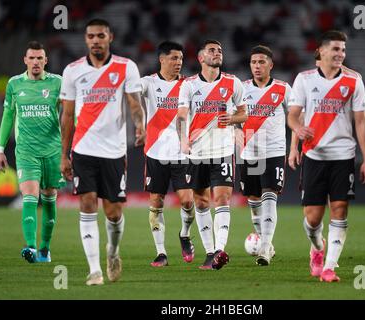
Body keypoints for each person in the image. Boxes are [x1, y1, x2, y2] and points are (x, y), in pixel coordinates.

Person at [59, 19, 145, 286]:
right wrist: (64, 155)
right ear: (85, 40)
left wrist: (140, 126)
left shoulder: (126, 66)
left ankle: (113, 252)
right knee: (86, 203)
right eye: (91, 36)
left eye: (100, 35)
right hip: (83, 149)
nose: (95, 40)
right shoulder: (72, 71)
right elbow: (68, 115)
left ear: (110, 37)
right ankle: (94, 270)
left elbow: (134, 103)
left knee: (113, 212)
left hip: (114, 151)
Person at [287, 30, 365, 282]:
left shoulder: (353, 81)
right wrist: (297, 130)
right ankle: (317, 247)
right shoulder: (304, 79)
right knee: (313, 218)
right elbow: (293, 114)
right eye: (335, 49)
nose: (340, 54)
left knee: (339, 207)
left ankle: (330, 267)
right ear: (321, 51)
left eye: (343, 50)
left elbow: (360, 120)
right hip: (314, 155)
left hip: (343, 155)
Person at [177, 39, 247, 270]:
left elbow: (243, 114)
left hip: (223, 150)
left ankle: (219, 250)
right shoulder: (188, 85)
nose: (217, 53)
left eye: (219, 50)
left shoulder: (233, 82)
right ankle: (209, 252)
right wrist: (183, 140)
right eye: (211, 50)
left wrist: (232, 119)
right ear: (201, 58)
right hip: (197, 152)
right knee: (201, 200)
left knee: (223, 199)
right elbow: (181, 116)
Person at [0, 41, 64, 264]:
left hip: (53, 151)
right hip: (26, 151)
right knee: (29, 196)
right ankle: (31, 248)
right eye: (31, 58)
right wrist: (0, 149)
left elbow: (69, 114)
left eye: (39, 58)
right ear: (25, 60)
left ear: (46, 60)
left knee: (49, 199)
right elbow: (7, 116)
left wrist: (70, 148)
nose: (35, 62)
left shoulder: (57, 83)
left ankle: (45, 249)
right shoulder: (14, 84)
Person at [139, 41, 195, 267]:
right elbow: (131, 93)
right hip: (155, 152)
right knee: (156, 201)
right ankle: (161, 252)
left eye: (180, 58)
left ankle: (185, 234)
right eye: (174, 58)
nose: (178, 62)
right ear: (161, 59)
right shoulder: (148, 83)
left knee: (188, 201)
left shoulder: (189, 85)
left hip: (182, 153)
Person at [237, 45, 291, 266]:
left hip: (274, 150)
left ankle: (265, 247)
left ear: (271, 64)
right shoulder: (241, 88)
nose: (257, 66)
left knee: (270, 194)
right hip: (249, 151)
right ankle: (264, 240)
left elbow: (296, 116)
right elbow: (232, 117)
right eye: (253, 62)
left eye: (261, 62)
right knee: (253, 198)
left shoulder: (283, 88)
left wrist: (295, 146)